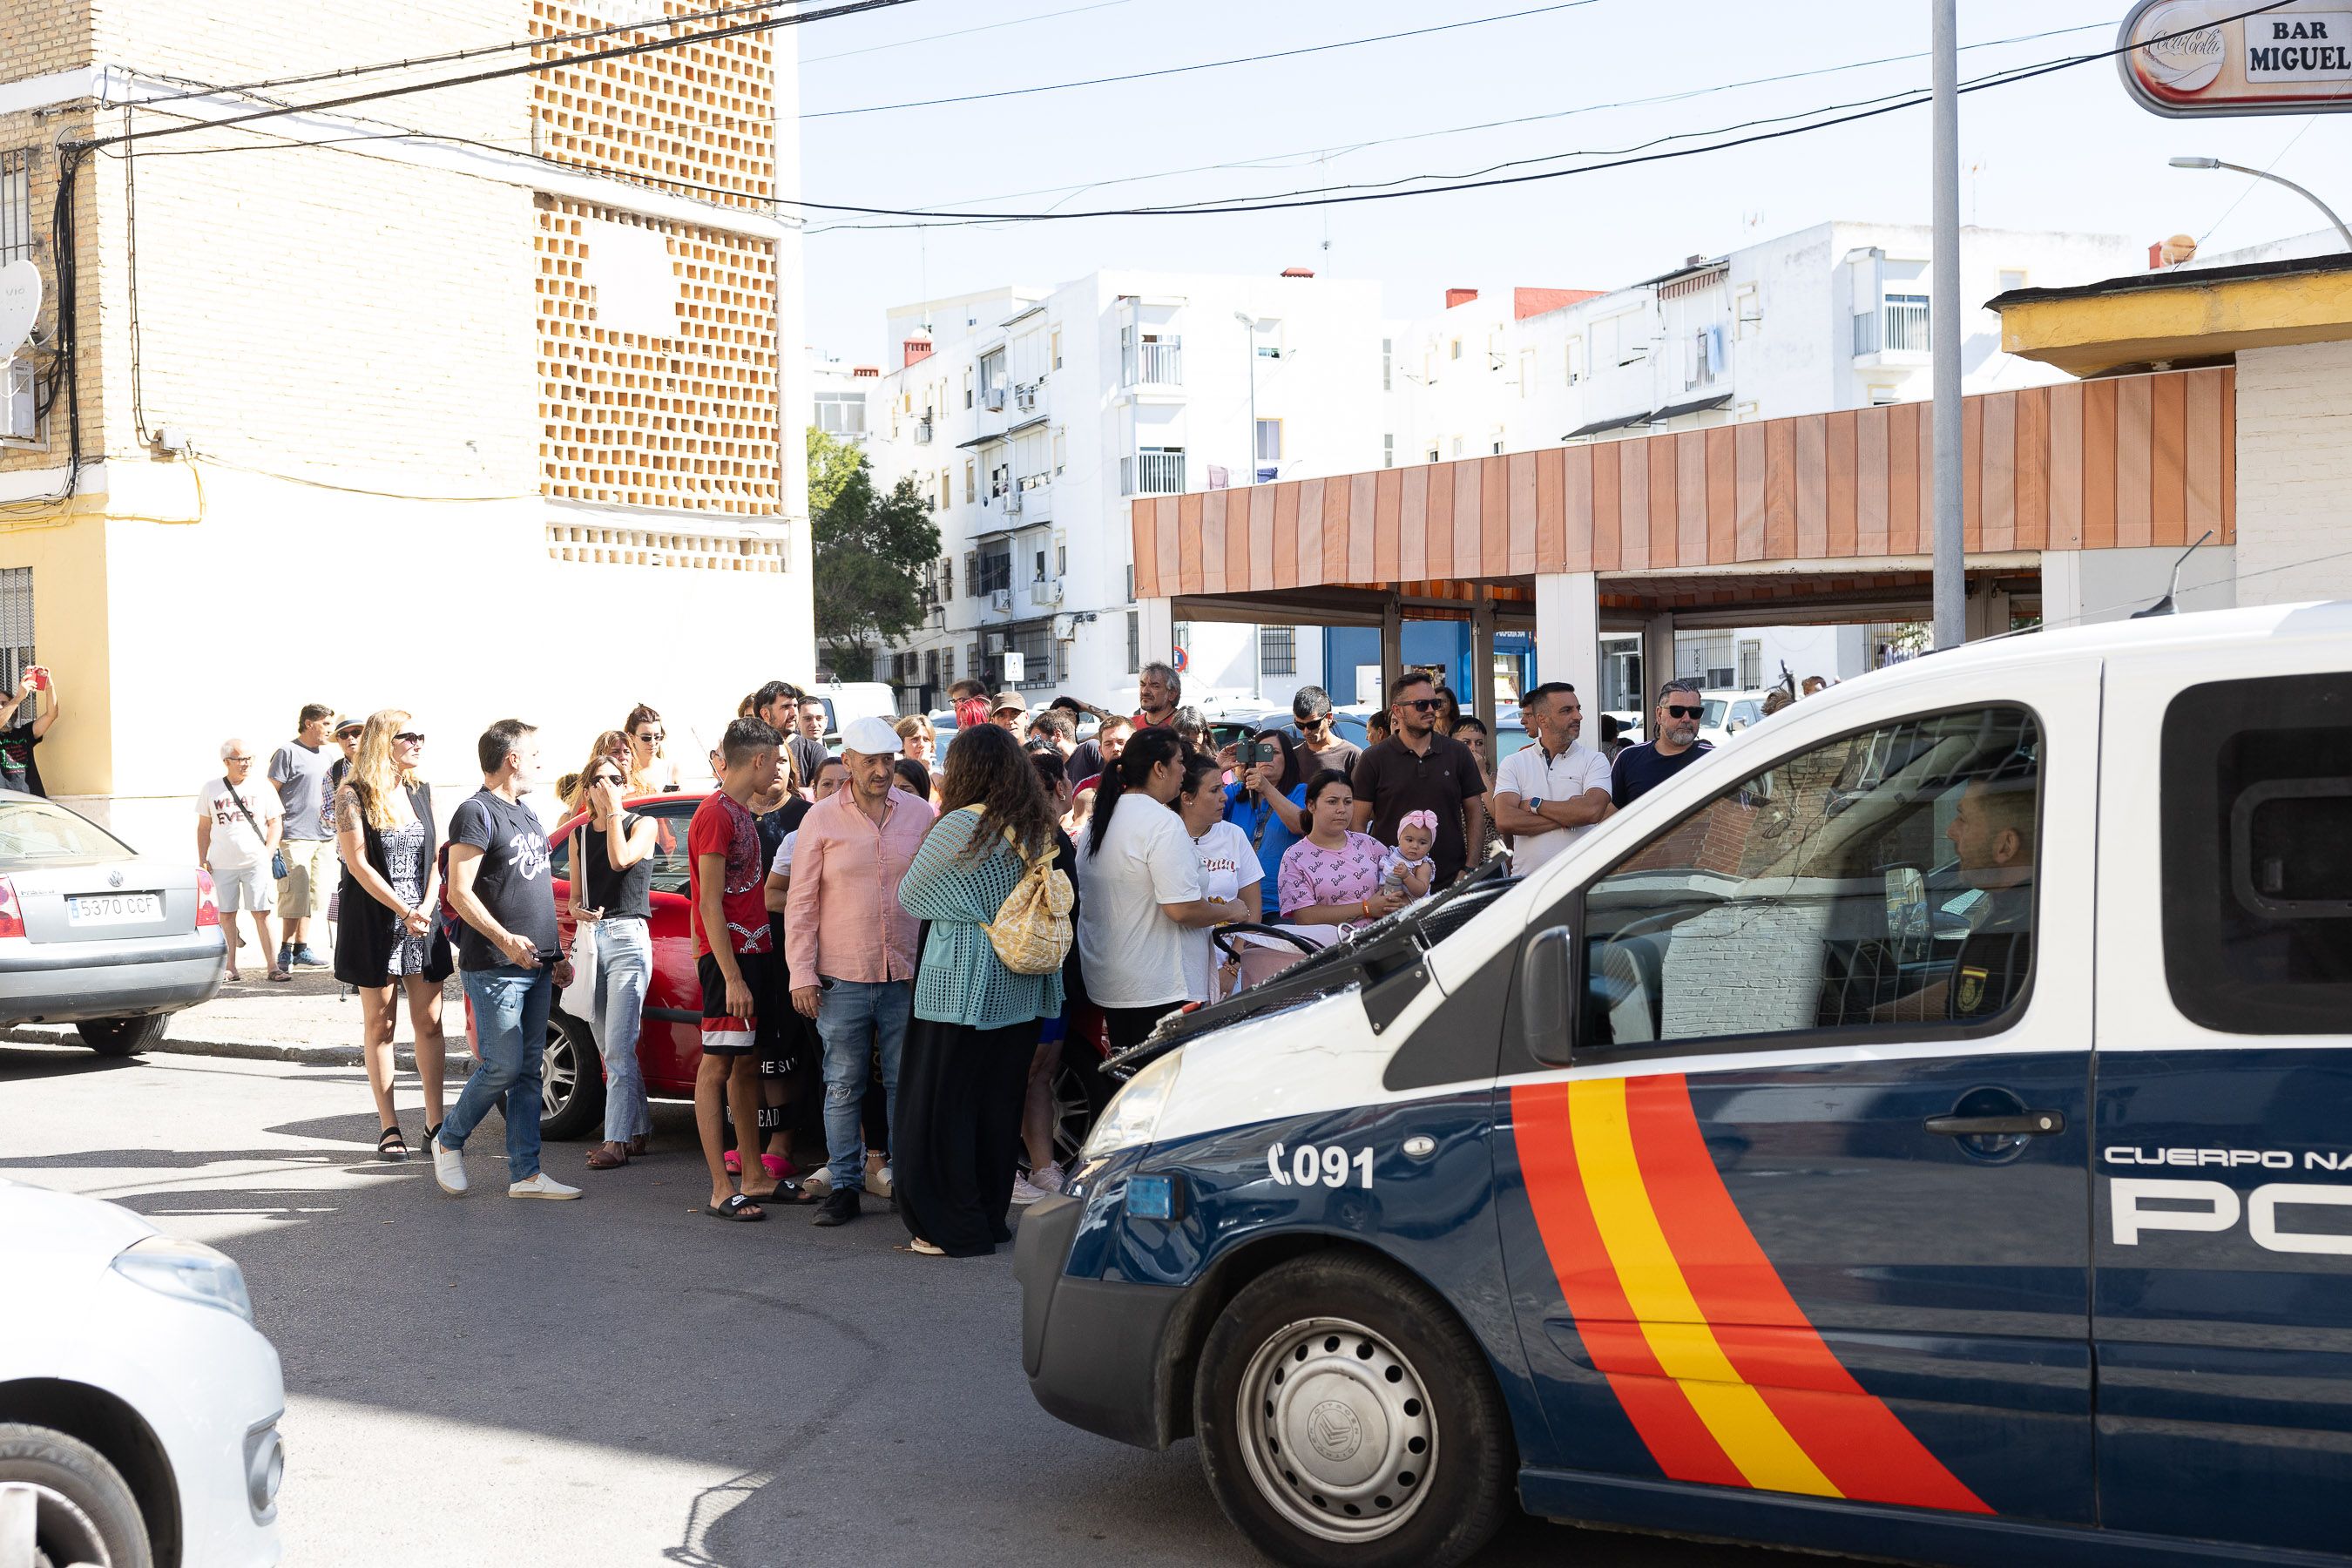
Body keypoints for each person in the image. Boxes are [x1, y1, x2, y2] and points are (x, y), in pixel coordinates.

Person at [893, 723, 1067, 1256]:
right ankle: (988, 1219)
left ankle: (951, 1226)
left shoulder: (962, 824)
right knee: (997, 1107)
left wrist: (972, 908)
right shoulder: (1036, 825)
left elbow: (912, 894)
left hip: (961, 987)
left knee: (944, 1107)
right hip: (1023, 987)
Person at [431, 720, 581, 1202]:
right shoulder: (475, 812)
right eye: (533, 754)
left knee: (528, 1070)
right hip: (495, 964)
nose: (539, 762)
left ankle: (526, 1174)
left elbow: (534, 892)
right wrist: (505, 939)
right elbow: (460, 892)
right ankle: (448, 1139)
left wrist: (555, 955)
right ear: (512, 758)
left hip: (536, 965)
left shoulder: (528, 813)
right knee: (502, 1066)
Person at [788, 716, 929, 1228]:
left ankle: (905, 1184)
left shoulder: (921, 813)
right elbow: (801, 902)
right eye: (870, 761)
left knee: (903, 1083)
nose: (881, 771)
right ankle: (846, 1186)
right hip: (842, 974)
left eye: (887, 760)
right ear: (847, 761)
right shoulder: (821, 818)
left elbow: (936, 892)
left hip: (905, 973)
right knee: (843, 1084)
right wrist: (801, 974)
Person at [1075, 727, 1246, 1051]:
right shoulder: (1161, 822)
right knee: (1163, 1077)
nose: (1184, 771)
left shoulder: (1103, 818)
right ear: (1159, 768)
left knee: (1134, 1074)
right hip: (1159, 986)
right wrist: (1230, 910)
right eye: (1180, 762)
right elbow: (1181, 909)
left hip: (1115, 979)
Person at [332, 711, 451, 1163]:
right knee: (380, 1025)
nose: (418, 743)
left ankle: (436, 1123)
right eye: (409, 736)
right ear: (385, 742)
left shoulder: (421, 790)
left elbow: (436, 858)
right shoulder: (352, 794)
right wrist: (403, 911)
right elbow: (357, 864)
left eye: (421, 735)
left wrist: (425, 907)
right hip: (376, 921)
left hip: (422, 919)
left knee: (430, 1022)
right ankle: (389, 1126)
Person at [688, 718, 787, 1222]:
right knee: (717, 1066)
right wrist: (730, 976)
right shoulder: (715, 813)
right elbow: (708, 902)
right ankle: (718, 1187)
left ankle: (753, 1175)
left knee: (746, 1063)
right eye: (776, 760)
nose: (780, 769)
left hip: (754, 950)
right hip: (729, 957)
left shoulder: (741, 811)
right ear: (758, 760)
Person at [566, 744, 660, 1173]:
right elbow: (574, 898)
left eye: (616, 780)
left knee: (620, 1048)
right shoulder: (579, 834)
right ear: (587, 789)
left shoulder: (643, 824)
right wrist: (579, 911)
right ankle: (638, 1129)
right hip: (592, 940)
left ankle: (615, 1140)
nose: (608, 787)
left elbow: (620, 859)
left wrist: (616, 812)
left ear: (627, 785)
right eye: (600, 780)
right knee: (609, 1047)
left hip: (627, 939)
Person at [1012, 746, 1082, 1205]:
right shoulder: (1019, 837)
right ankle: (1003, 1170)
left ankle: (1043, 1169)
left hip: (1060, 971)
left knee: (1043, 1072)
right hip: (1028, 973)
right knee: (1020, 1072)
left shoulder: (1059, 835)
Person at [1350, 671, 1488, 888]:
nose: (1431, 710)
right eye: (1421, 705)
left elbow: (1475, 812)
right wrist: (1369, 875)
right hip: (1391, 886)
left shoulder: (1458, 753)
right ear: (1398, 710)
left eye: (1434, 703)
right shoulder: (1373, 758)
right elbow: (1357, 823)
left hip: (1451, 882)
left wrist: (1470, 868)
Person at [1491, 681, 1617, 875]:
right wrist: (1571, 817)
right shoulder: (1514, 763)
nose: (1578, 716)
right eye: (1566, 710)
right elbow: (1505, 820)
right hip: (1527, 883)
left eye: (1578, 709)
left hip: (1581, 882)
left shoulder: (1595, 760)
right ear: (1542, 720)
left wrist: (1535, 805)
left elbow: (1592, 811)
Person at [197, 740, 283, 983]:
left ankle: (273, 966)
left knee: (262, 913)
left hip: (256, 862)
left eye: (248, 759)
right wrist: (202, 859)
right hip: (222, 863)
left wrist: (267, 853)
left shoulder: (263, 787)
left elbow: (275, 823)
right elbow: (204, 827)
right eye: (239, 759)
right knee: (226, 915)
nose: (245, 763)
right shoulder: (211, 788)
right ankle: (230, 967)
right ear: (226, 762)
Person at [1178, 752, 1260, 1002]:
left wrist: (1232, 967)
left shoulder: (1233, 835)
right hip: (1178, 972)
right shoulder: (1166, 837)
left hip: (1228, 966)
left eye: (1222, 788)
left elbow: (1253, 910)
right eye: (1214, 790)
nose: (1224, 797)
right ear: (1187, 798)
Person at [1279, 771, 1402, 929]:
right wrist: (1367, 908)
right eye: (1332, 802)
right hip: (1325, 943)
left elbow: (1400, 884)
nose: (1342, 809)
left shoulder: (1369, 844)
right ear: (1311, 805)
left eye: (1348, 802)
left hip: (1379, 939)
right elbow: (1305, 917)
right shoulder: (1295, 857)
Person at [269, 704, 341, 970]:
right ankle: (285, 950)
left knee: (314, 897)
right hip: (294, 836)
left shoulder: (328, 756)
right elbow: (270, 793)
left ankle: (301, 948)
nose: (330, 730)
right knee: (294, 896)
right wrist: (273, 833)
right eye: (326, 724)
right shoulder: (287, 752)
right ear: (309, 724)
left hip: (324, 837)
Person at [1224, 727, 1308, 918]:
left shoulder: (1300, 791)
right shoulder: (1235, 793)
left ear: (1288, 759)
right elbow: (1197, 811)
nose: (1266, 758)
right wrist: (1218, 767)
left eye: (1274, 752)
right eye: (1262, 752)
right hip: (1235, 903)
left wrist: (1266, 788)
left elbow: (1300, 824)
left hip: (1281, 905)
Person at [1612, 678, 1715, 808]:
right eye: (1677, 711)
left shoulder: (1715, 758)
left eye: (1695, 712)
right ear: (1659, 714)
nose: (1687, 719)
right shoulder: (1628, 758)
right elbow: (1608, 812)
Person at [0, 664, 58, 796]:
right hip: (5, 804)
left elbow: (51, 715)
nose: (1, 707)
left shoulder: (24, 733)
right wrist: (18, 697)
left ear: (15, 710)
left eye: (4, 703)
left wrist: (50, 687)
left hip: (31, 802)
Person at [1289, 685, 1360, 779]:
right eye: (1300, 725)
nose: (1306, 732)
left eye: (1313, 724)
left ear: (1329, 718)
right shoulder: (1292, 757)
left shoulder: (1352, 756)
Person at [1378, 811, 1439, 906]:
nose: (1415, 846)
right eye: (1409, 840)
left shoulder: (1423, 865)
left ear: (1430, 846)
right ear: (1399, 839)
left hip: (1410, 906)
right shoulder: (1393, 853)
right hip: (1383, 897)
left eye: (1422, 843)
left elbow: (1421, 890)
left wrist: (1407, 876)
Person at [622, 704, 680, 794]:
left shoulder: (671, 770)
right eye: (646, 738)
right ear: (631, 737)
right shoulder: (622, 772)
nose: (653, 743)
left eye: (657, 737)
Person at [1069, 714, 1129, 793]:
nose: (1115, 748)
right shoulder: (1085, 788)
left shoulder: (1145, 783)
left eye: (1121, 742)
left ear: (1134, 743)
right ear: (1100, 750)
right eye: (1108, 744)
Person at [789, 695, 831, 792]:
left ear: (826, 721)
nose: (814, 724)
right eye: (808, 718)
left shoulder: (838, 760)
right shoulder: (787, 756)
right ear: (797, 721)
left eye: (819, 718)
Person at [1134, 660, 1180, 730]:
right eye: (1143, 685)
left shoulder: (1183, 726)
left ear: (1172, 694)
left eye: (1154, 686)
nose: (1144, 691)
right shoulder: (1130, 726)